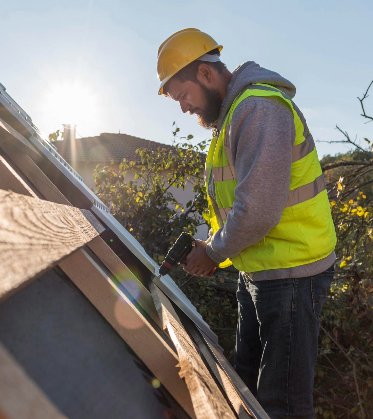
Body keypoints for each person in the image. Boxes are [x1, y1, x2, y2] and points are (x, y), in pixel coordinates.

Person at [157, 28, 336, 419]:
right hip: (259, 271)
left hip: (292, 274)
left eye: (182, 95)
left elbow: (257, 209)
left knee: (282, 404)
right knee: (247, 386)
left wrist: (214, 253)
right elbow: (233, 208)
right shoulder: (233, 117)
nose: (184, 108)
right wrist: (212, 253)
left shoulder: (259, 109)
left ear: (206, 74)